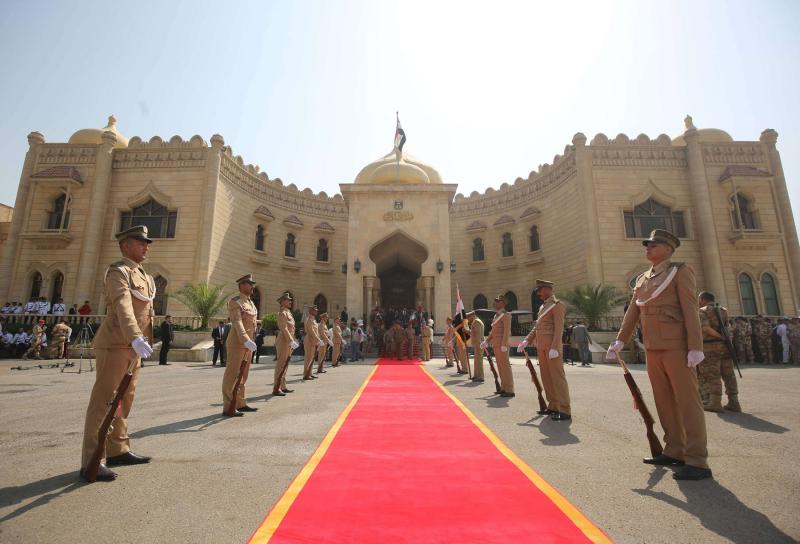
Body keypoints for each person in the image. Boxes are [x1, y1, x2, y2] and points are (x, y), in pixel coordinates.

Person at [608, 229, 711, 481]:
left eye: (653, 245)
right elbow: (633, 312)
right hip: (653, 346)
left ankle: (697, 460)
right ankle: (674, 450)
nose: (648, 249)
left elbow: (690, 309)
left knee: (687, 402)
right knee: (664, 402)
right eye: (647, 245)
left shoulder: (679, 271)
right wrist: (621, 340)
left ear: (668, 248)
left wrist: (695, 346)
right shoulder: (643, 278)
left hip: (677, 346)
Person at [80, 225, 156, 482]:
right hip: (116, 343)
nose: (146, 246)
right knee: (104, 401)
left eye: (147, 243)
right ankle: (93, 459)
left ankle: (118, 448)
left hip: (133, 347)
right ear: (126, 245)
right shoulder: (118, 272)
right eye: (141, 242)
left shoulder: (144, 275)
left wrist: (143, 339)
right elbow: (124, 306)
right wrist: (134, 336)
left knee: (125, 400)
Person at [520, 280, 571, 420]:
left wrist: (555, 347)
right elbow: (537, 327)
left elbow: (559, 328)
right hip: (541, 347)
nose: (538, 293)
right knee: (547, 377)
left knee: (557, 378)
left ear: (548, 289)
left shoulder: (557, 305)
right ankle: (553, 406)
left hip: (551, 348)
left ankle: (565, 409)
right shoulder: (543, 307)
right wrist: (527, 340)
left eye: (540, 290)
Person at [221, 274, 259, 417]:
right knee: (232, 374)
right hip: (237, 343)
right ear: (242, 285)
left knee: (243, 374)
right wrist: (245, 339)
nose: (252, 286)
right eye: (250, 284)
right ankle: (228, 406)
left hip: (248, 344)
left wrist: (251, 340)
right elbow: (237, 322)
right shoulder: (235, 302)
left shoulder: (251, 303)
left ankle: (240, 403)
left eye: (252, 284)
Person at [695, 291, 740, 413]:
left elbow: (706, 328)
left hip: (711, 346)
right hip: (725, 347)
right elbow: (727, 327)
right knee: (728, 374)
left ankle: (715, 402)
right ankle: (734, 401)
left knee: (712, 374)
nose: (698, 301)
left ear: (703, 299)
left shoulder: (702, 311)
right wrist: (724, 338)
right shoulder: (724, 310)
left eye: (699, 299)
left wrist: (720, 336)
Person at [482, 295, 514, 397]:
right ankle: (504, 387)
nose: (495, 303)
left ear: (503, 303)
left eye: (497, 301)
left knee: (505, 366)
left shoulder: (506, 315)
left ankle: (509, 389)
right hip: (496, 344)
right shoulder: (496, 316)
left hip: (502, 344)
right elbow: (493, 332)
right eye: (495, 301)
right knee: (500, 367)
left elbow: (506, 331)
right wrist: (487, 341)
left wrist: (504, 344)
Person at [273, 291, 297, 396]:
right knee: (281, 364)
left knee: (285, 365)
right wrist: (291, 340)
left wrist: (292, 340)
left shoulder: (288, 312)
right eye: (288, 300)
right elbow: (284, 328)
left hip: (288, 341)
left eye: (290, 300)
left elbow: (291, 329)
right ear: (282, 302)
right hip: (283, 341)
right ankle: (276, 388)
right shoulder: (282, 313)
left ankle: (283, 386)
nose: (290, 301)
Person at [302, 305, 321, 380]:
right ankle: (306, 374)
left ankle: (310, 373)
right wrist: (318, 339)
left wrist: (318, 339)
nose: (316, 311)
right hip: (309, 339)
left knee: (311, 357)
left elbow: (316, 331)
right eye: (315, 310)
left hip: (313, 340)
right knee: (308, 358)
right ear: (311, 311)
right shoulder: (309, 319)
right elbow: (311, 331)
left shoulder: (313, 319)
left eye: (316, 310)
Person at [467, 311, 485, 381]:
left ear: (472, 315)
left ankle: (480, 377)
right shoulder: (475, 321)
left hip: (479, 344)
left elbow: (479, 334)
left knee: (479, 361)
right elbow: (473, 332)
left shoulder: (476, 322)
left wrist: (478, 343)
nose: (468, 319)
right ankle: (476, 375)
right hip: (477, 344)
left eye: (469, 317)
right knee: (477, 361)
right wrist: (467, 331)